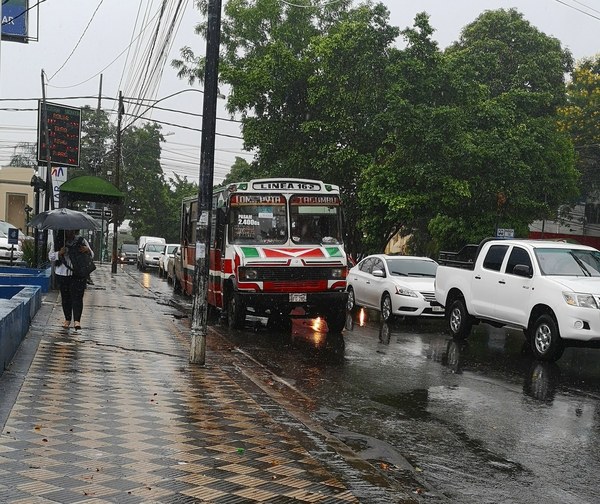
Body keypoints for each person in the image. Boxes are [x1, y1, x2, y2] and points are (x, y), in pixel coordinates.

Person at [48, 229, 94, 330]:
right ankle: (67, 319)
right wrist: (59, 253)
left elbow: (92, 254)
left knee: (77, 297)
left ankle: (77, 321)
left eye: (72, 230)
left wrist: (86, 250)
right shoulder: (57, 242)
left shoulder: (81, 240)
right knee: (66, 297)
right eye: (68, 231)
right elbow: (50, 256)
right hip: (62, 273)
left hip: (77, 273)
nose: (70, 233)